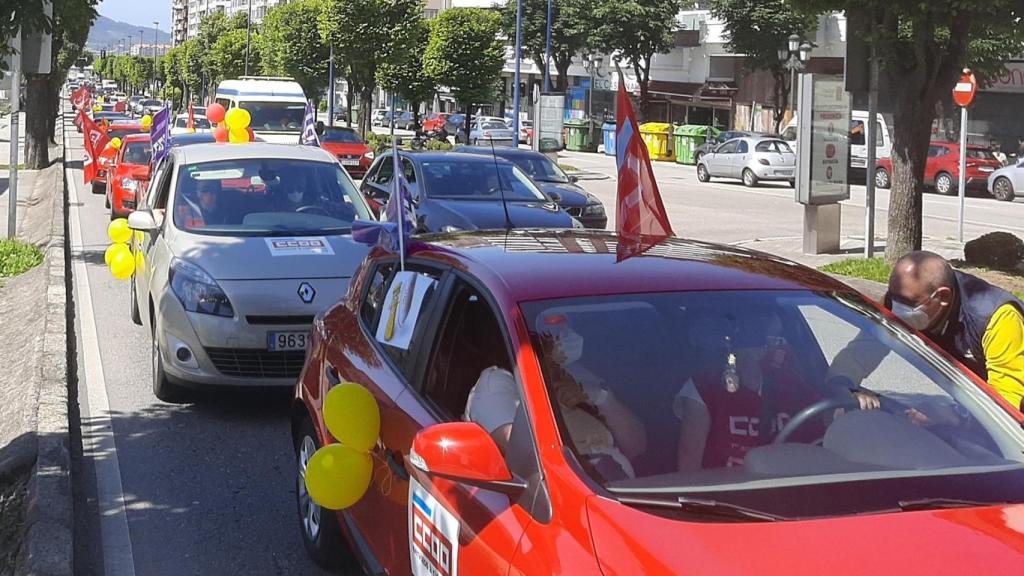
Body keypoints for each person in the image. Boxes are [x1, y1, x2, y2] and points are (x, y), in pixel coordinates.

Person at [831, 251, 1024, 412]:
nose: (897, 308)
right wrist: (841, 385)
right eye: (893, 296)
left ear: (942, 297)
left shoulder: (997, 317)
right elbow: (862, 351)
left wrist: (955, 418)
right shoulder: (893, 301)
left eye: (907, 303)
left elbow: (1006, 399)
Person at [464, 314, 646, 481]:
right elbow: (526, 456)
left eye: (564, 329)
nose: (564, 338)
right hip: (566, 493)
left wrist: (601, 397)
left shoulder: (576, 373)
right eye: (551, 332)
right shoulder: (497, 384)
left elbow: (637, 446)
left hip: (624, 490)